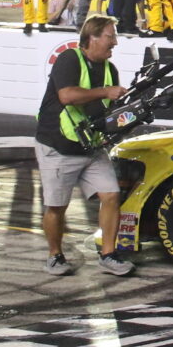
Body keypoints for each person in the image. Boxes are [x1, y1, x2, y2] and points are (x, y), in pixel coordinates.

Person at [33, 15, 133, 277]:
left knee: (111, 195)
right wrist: (105, 92)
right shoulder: (69, 58)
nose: (115, 43)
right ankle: (55, 256)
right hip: (58, 146)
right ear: (93, 37)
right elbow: (66, 96)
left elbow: (107, 111)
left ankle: (109, 254)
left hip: (90, 146)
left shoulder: (110, 70)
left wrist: (126, 116)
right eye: (111, 36)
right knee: (56, 206)